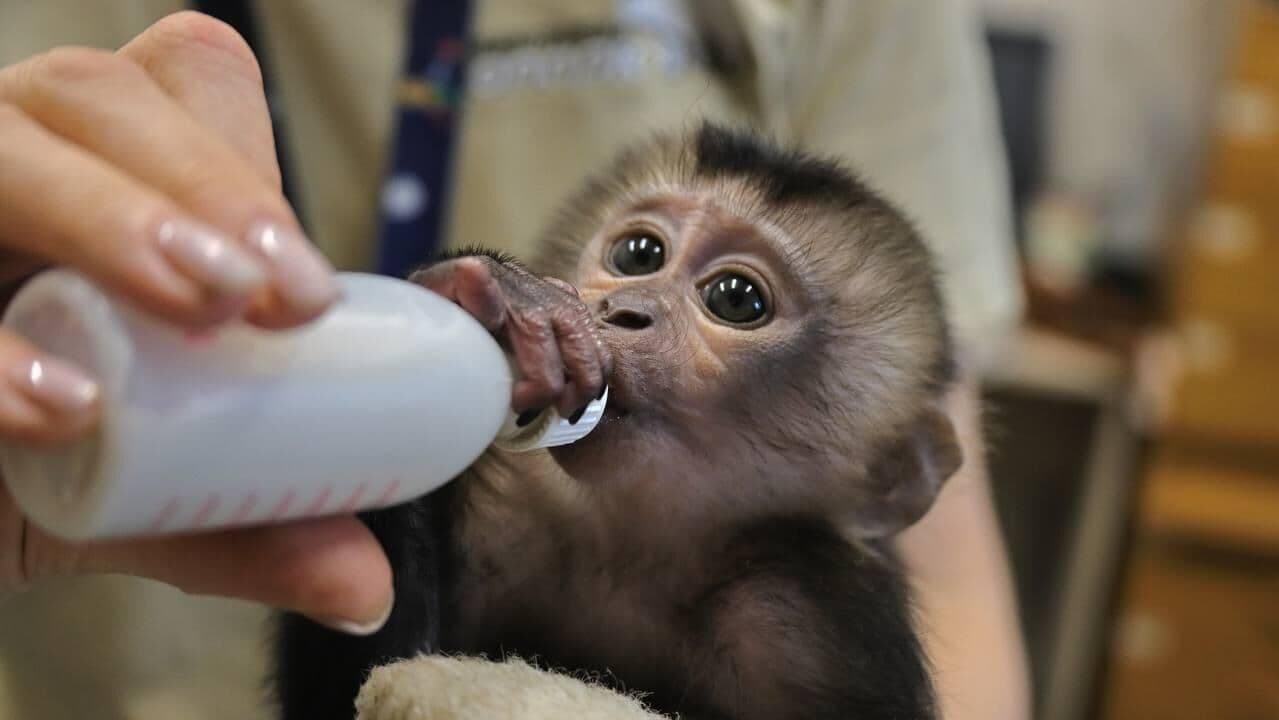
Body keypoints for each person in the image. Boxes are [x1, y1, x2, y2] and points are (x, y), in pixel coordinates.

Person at [0, 2, 1030, 719]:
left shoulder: (802, 639)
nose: (627, 309)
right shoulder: (484, 500)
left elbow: (968, 603)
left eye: (737, 300)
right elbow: (344, 694)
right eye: (637, 254)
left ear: (887, 479)